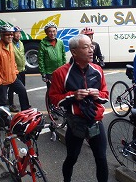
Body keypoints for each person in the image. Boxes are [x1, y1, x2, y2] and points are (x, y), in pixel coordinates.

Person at [49, 34, 109, 182]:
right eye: (86, 47)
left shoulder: (97, 70)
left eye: (91, 46)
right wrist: (72, 96)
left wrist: (98, 95)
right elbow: (54, 99)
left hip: (95, 120)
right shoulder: (60, 73)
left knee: (101, 158)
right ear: (74, 52)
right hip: (76, 122)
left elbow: (106, 96)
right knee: (72, 157)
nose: (91, 50)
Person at [0, 25, 31, 111]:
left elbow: (13, 61)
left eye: (11, 34)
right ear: (1, 35)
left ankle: (26, 112)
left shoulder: (11, 45)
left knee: (22, 91)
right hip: (2, 80)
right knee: (2, 101)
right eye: (7, 34)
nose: (10, 36)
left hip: (13, 78)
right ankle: (2, 121)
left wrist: (15, 71)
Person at [38, 22, 66, 87]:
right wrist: (43, 73)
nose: (52, 33)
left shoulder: (60, 42)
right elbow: (40, 59)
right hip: (49, 72)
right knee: (51, 90)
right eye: (50, 31)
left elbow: (63, 56)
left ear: (56, 32)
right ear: (46, 33)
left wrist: (65, 69)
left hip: (60, 71)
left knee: (61, 88)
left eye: (54, 31)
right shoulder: (43, 43)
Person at [7, 26, 26, 112]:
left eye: (19, 33)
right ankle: (11, 104)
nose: (18, 35)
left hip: (22, 69)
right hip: (14, 70)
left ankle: (24, 104)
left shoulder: (21, 43)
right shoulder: (10, 44)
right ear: (12, 34)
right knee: (12, 88)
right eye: (16, 33)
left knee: (22, 88)